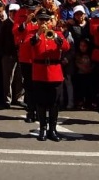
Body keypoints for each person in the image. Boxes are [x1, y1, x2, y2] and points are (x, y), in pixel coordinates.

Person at [29, 9, 70, 141]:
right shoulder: (34, 34)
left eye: (46, 20)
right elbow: (30, 45)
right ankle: (42, 129)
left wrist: (56, 36)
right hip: (39, 72)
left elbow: (66, 47)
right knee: (40, 102)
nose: (44, 22)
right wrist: (38, 33)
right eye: (41, 20)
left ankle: (52, 129)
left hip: (55, 71)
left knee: (54, 103)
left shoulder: (58, 34)